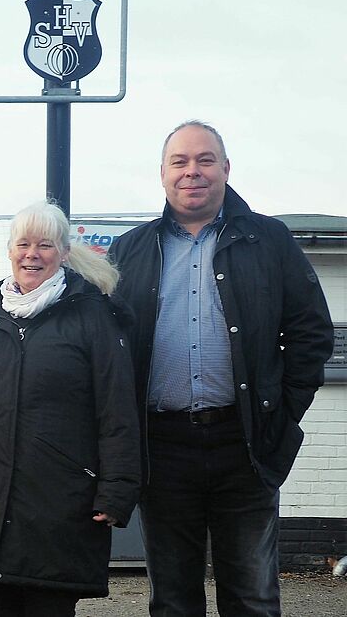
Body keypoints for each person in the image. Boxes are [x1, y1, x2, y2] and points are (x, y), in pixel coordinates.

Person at [107, 121, 334, 616]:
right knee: (172, 600)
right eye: (180, 162)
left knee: (252, 597)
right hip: (161, 448)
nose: (193, 172)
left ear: (226, 169)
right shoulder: (131, 249)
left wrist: (279, 411)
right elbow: (107, 349)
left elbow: (312, 333)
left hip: (246, 443)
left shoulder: (269, 240)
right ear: (162, 174)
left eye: (205, 160)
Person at [0, 201, 140, 617]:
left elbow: (117, 412)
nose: (32, 254)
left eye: (45, 245)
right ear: (10, 251)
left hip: (61, 505)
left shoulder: (93, 315)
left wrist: (116, 493)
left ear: (62, 253)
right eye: (23, 244)